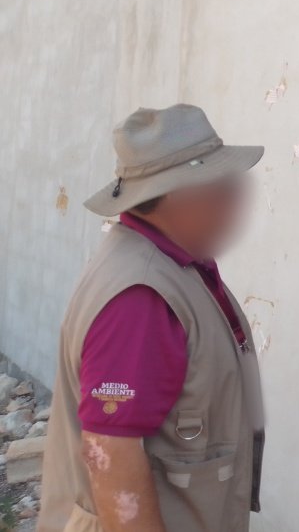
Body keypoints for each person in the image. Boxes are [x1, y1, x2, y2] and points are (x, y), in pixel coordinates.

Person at [39, 104, 266, 532]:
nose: (234, 201)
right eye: (222, 187)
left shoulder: (171, 263)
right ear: (183, 193)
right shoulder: (140, 295)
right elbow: (111, 454)